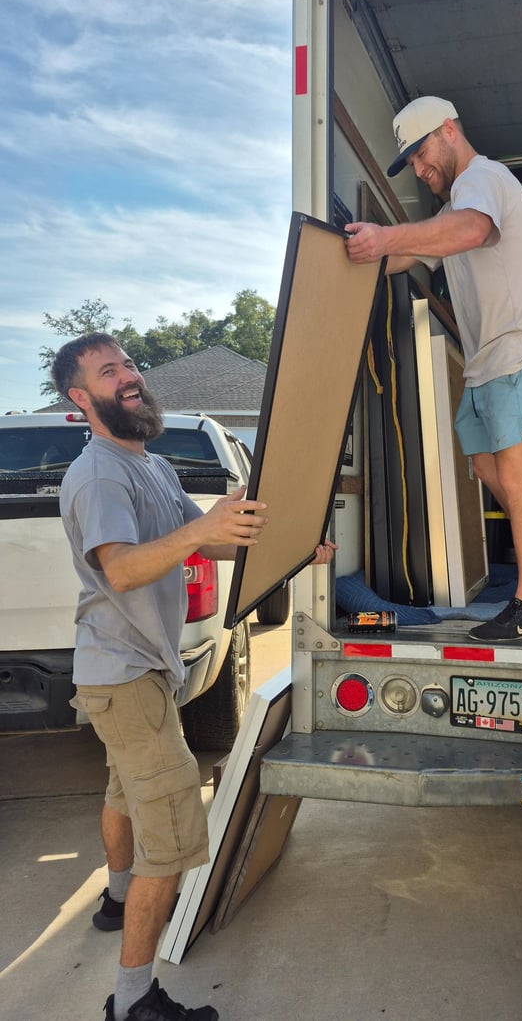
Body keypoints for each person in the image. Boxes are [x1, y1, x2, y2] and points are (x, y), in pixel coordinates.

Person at [52, 333, 335, 1021]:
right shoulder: (98, 475)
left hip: (139, 668)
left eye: (129, 365)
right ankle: (132, 1001)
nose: (129, 377)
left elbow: (204, 538)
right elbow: (120, 567)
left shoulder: (148, 465)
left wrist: (288, 539)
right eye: (109, 370)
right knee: (175, 834)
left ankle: (118, 900)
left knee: (126, 791)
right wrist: (200, 527)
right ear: (80, 399)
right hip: (123, 675)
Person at [345, 96, 522, 642]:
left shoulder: (482, 180)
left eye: (422, 154)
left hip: (519, 348)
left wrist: (387, 237)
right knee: (483, 466)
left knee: (517, 476)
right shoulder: (451, 211)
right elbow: (413, 255)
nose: (421, 170)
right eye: (412, 164)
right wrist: (361, 250)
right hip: (484, 363)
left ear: (449, 130)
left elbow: (472, 231)